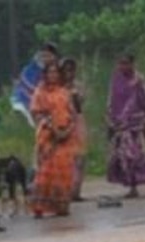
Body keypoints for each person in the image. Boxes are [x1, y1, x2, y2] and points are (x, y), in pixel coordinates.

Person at [29, 61, 77, 218]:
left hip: (65, 136)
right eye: (50, 72)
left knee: (64, 169)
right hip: (48, 136)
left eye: (56, 72)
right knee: (45, 171)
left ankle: (61, 205)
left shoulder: (64, 92)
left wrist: (68, 130)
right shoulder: (40, 93)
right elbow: (37, 113)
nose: (53, 75)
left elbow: (72, 114)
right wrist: (52, 128)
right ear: (45, 74)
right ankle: (40, 206)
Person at [106, 53, 145, 199]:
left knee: (142, 155)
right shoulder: (116, 79)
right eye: (120, 63)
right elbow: (111, 99)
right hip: (121, 124)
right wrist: (110, 119)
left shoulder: (139, 79)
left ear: (133, 64)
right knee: (126, 156)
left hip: (137, 122)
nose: (123, 67)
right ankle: (132, 188)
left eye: (126, 63)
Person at [60, 58, 88, 202]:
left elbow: (79, 107)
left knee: (79, 157)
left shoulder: (78, 86)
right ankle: (65, 191)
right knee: (65, 158)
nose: (69, 73)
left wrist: (74, 94)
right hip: (62, 124)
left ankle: (76, 191)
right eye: (66, 70)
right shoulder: (57, 87)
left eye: (71, 70)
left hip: (77, 122)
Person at [11, 43, 59, 127]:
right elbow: (28, 87)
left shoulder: (57, 70)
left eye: (49, 55)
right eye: (44, 55)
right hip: (26, 103)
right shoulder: (30, 69)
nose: (46, 58)